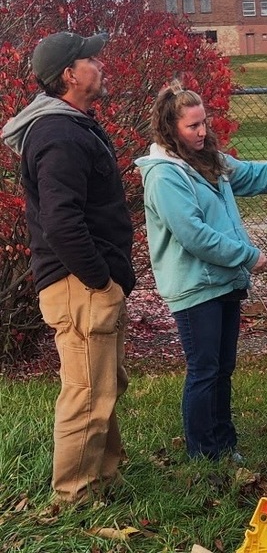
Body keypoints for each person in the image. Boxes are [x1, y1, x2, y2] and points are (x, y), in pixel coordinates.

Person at [1, 31, 135, 506]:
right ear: (68, 75)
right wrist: (99, 279)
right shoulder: (58, 134)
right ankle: (74, 498)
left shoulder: (71, 126)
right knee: (86, 392)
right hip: (80, 285)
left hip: (88, 283)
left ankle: (103, 479)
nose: (99, 62)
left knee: (105, 384)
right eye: (89, 58)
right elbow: (60, 222)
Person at [136, 82, 267, 463]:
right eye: (192, 127)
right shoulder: (164, 175)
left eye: (203, 123)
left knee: (223, 367)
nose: (201, 132)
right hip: (195, 286)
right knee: (204, 369)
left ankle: (224, 444)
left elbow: (254, 175)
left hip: (224, 282)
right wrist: (247, 256)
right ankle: (203, 453)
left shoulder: (211, 159)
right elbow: (194, 235)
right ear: (170, 129)